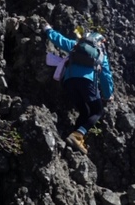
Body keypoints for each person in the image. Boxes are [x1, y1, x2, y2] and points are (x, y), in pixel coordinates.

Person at [43, 24, 114, 155]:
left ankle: (75, 138)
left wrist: (48, 30)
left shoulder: (76, 46)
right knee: (98, 111)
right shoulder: (100, 54)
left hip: (68, 82)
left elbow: (60, 40)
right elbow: (106, 76)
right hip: (86, 81)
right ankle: (78, 135)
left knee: (85, 111)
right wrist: (108, 95)